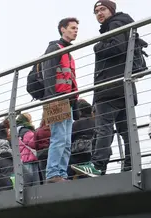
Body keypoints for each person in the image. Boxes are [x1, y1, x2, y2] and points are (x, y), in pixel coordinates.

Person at [73, 2, 145, 177]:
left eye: (102, 9)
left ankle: (98, 166)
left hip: (109, 88)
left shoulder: (115, 24)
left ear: (111, 10)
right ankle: (131, 164)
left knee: (103, 128)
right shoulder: (122, 24)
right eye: (96, 11)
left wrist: (97, 46)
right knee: (126, 130)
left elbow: (117, 47)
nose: (99, 13)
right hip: (123, 88)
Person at [42, 17, 79, 183]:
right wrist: (51, 98)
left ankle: (61, 173)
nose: (75, 31)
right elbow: (48, 73)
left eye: (76, 28)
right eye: (72, 28)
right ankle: (52, 174)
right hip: (57, 99)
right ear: (63, 29)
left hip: (66, 100)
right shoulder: (54, 48)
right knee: (59, 138)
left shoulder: (67, 52)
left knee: (66, 141)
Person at [69, 99, 95, 174]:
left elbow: (70, 140)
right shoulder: (96, 122)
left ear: (80, 112)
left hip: (79, 154)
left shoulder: (76, 124)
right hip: (93, 153)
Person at [16, 113, 40, 186]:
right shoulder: (26, 131)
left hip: (23, 160)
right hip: (30, 160)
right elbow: (33, 143)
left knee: (27, 183)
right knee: (35, 184)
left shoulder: (16, 132)